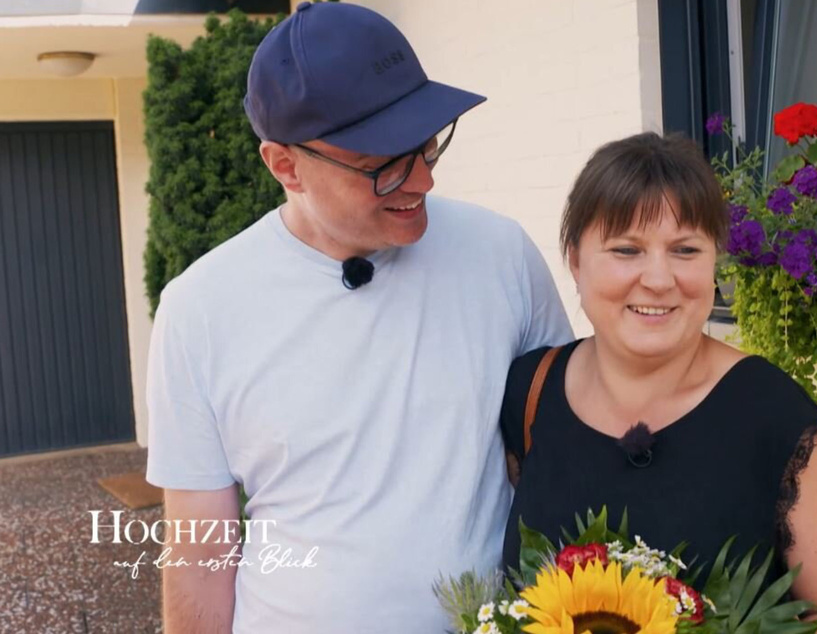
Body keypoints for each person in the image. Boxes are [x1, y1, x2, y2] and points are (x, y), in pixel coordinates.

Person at [144, 3, 573, 632]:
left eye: (427, 144)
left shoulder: (502, 255)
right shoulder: (199, 310)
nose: (421, 179)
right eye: (384, 164)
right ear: (284, 165)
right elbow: (201, 556)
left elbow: (562, 454)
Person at [500, 132, 817, 632]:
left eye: (685, 249)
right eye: (627, 250)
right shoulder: (531, 391)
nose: (658, 279)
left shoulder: (772, 418)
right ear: (574, 258)